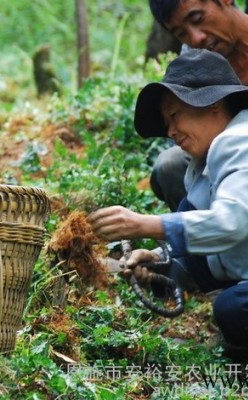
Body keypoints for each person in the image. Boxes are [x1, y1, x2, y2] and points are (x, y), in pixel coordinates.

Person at [88, 49, 248, 360]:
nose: (171, 132)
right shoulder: (204, 161)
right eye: (166, 122)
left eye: (175, 116)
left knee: (234, 309)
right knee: (189, 212)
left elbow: (233, 223)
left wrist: (145, 224)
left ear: (213, 102)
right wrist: (161, 260)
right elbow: (210, 233)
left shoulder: (239, 141)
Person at [148, 0, 248, 211]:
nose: (196, 38)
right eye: (181, 33)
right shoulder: (194, 60)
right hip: (221, 164)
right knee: (170, 165)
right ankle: (202, 233)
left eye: (197, 19)